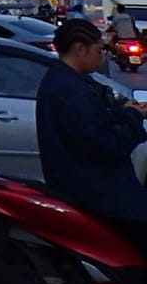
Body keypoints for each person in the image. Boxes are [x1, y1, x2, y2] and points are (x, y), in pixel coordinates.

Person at [37, 17, 147, 255]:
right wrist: (133, 120)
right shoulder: (71, 91)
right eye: (99, 51)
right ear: (79, 48)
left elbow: (94, 125)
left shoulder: (63, 82)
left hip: (83, 186)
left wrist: (126, 113)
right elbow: (106, 145)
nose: (102, 56)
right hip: (98, 193)